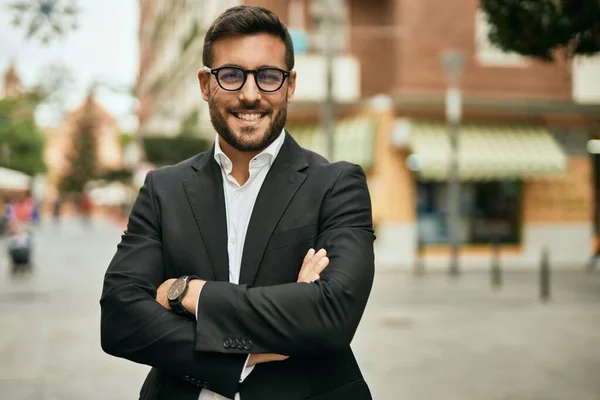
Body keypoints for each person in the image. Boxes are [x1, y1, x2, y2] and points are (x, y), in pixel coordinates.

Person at [100, 6, 375, 400]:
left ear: (290, 85)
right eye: (231, 75)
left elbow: (332, 315)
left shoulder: (336, 185)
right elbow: (120, 320)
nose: (250, 94)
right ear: (205, 84)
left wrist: (188, 293)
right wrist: (244, 353)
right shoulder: (164, 188)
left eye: (268, 76)